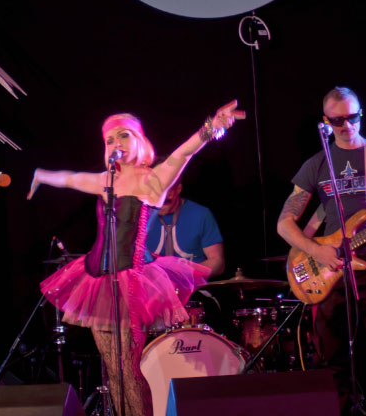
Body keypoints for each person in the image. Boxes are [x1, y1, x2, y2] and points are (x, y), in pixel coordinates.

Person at [27, 100, 245, 416]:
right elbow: (71, 178)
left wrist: (210, 129)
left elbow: (182, 154)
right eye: (109, 139)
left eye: (124, 135)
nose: (116, 143)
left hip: (132, 281)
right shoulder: (105, 181)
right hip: (95, 279)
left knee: (128, 368)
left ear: (139, 139)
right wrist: (40, 175)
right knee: (112, 372)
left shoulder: (152, 179)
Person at [277, 87, 366, 416]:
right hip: (331, 263)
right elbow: (284, 224)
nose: (347, 125)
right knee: (331, 353)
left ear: (361, 115)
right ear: (326, 122)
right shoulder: (316, 164)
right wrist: (316, 251)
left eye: (352, 117)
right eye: (337, 120)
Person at [145, 180, 225, 275]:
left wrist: (186, 276)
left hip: (193, 283)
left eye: (166, 192)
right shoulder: (141, 217)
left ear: (178, 189)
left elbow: (216, 261)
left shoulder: (201, 214)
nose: (160, 204)